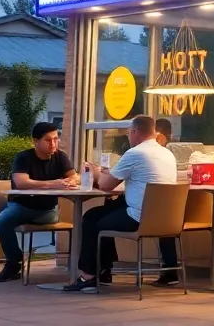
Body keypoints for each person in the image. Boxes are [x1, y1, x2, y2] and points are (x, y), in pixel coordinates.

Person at [62, 115, 178, 292]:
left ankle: (89, 276)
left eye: (129, 133)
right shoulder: (167, 153)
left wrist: (94, 172)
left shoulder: (135, 153)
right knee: (106, 212)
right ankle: (105, 270)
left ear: (134, 132)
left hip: (139, 217)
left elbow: (105, 185)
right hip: (166, 218)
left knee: (92, 219)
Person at [0, 121, 78, 282]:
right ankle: (14, 262)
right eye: (48, 140)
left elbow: (73, 176)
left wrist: (72, 180)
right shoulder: (23, 157)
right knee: (3, 220)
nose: (53, 143)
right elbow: (21, 182)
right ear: (35, 141)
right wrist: (54, 183)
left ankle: (79, 266)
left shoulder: (61, 156)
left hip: (47, 212)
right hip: (21, 206)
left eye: (55, 139)